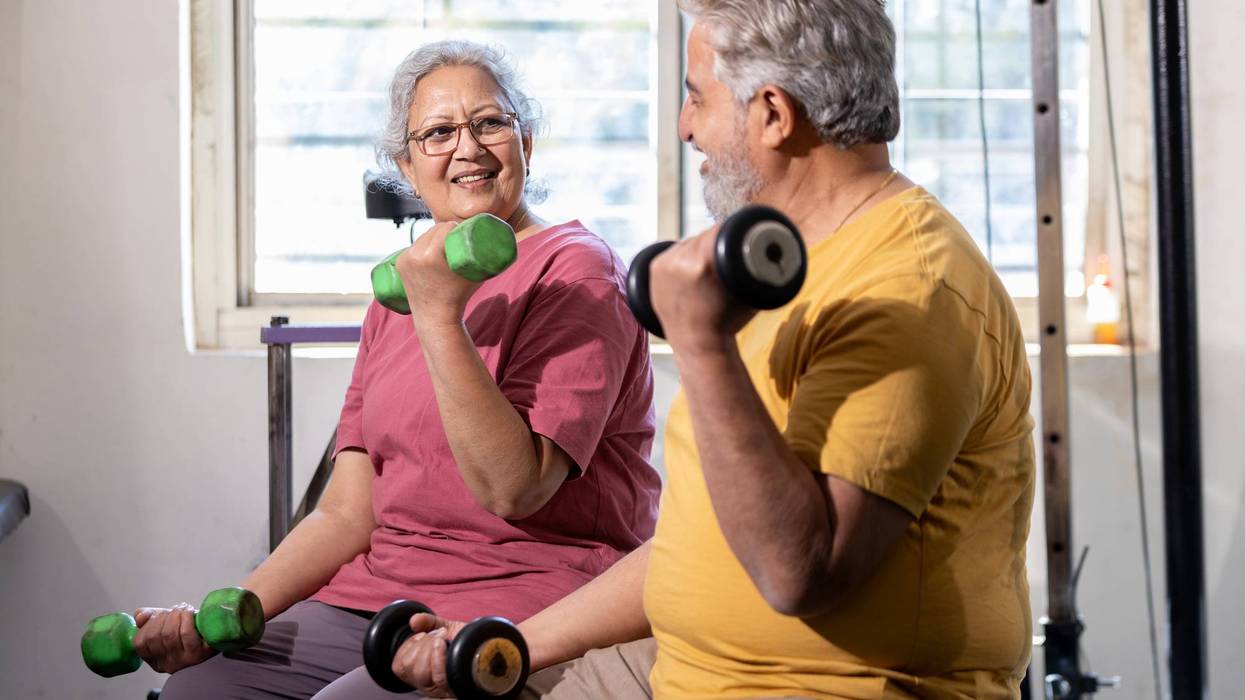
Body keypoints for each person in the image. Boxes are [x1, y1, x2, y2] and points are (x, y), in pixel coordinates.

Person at [394, 2, 1037, 698]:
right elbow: (692, 544)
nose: (684, 127)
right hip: (679, 664)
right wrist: (508, 644)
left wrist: (700, 342)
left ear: (771, 114)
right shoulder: (789, 264)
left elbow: (798, 573)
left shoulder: (910, 291)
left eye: (696, 97)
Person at [137, 40, 661, 699]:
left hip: (523, 600)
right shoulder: (401, 295)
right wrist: (226, 613)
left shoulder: (576, 273)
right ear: (407, 167)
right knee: (200, 691)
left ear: (525, 140)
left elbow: (514, 488)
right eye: (438, 132)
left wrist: (438, 313)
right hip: (374, 599)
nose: (466, 148)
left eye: (490, 123)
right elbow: (346, 515)